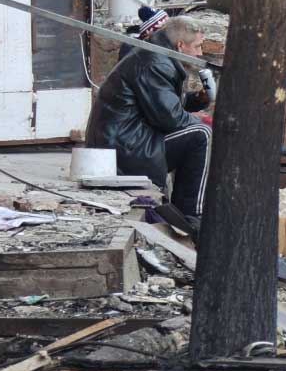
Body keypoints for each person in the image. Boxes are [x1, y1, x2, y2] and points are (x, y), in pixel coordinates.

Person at [87, 15, 212, 222]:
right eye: (198, 46)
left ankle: (182, 211)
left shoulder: (158, 55)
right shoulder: (155, 62)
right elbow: (170, 119)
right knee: (201, 134)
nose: (200, 53)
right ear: (181, 45)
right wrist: (195, 119)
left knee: (197, 130)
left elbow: (161, 103)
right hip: (125, 148)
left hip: (127, 139)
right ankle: (192, 216)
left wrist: (197, 100)